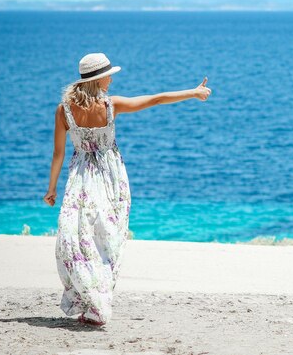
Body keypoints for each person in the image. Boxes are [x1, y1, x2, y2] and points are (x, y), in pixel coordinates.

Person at [43, 53, 211, 326]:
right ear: (97, 80)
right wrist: (193, 92)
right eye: (108, 75)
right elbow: (156, 99)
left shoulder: (63, 110)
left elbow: (58, 154)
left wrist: (51, 189)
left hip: (80, 176)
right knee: (107, 237)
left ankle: (91, 301)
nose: (111, 79)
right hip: (111, 176)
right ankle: (97, 301)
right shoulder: (112, 105)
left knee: (76, 236)